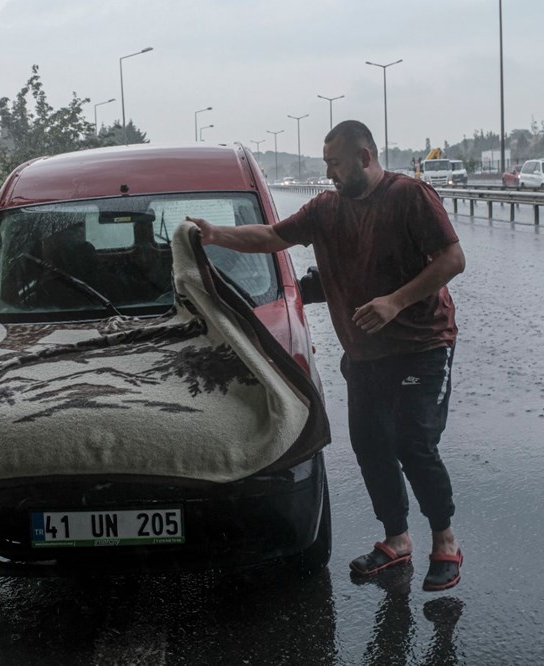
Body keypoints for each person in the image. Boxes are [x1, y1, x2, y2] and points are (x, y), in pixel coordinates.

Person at [186, 120, 466, 592]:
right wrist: (216, 235)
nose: (329, 172)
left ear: (364, 157)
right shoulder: (326, 209)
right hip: (365, 354)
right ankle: (396, 540)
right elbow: (272, 237)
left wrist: (395, 301)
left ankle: (446, 540)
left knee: (412, 443)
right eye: (326, 164)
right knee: (371, 444)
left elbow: (452, 259)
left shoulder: (409, 196)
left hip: (422, 345)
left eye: (335, 163)